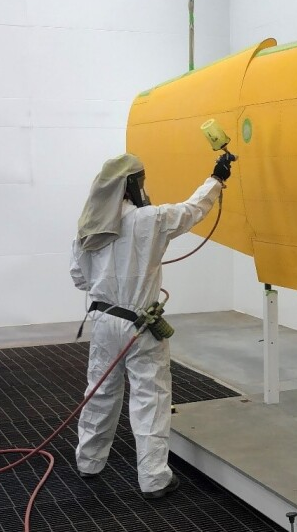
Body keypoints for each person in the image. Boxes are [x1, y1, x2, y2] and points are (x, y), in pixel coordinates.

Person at [70, 153, 232, 499]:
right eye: (140, 181)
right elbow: (192, 210)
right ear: (131, 185)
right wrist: (216, 179)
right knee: (150, 398)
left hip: (102, 322)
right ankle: (154, 478)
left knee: (99, 393)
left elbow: (79, 278)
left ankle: (89, 462)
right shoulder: (149, 219)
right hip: (139, 326)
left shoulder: (88, 225)